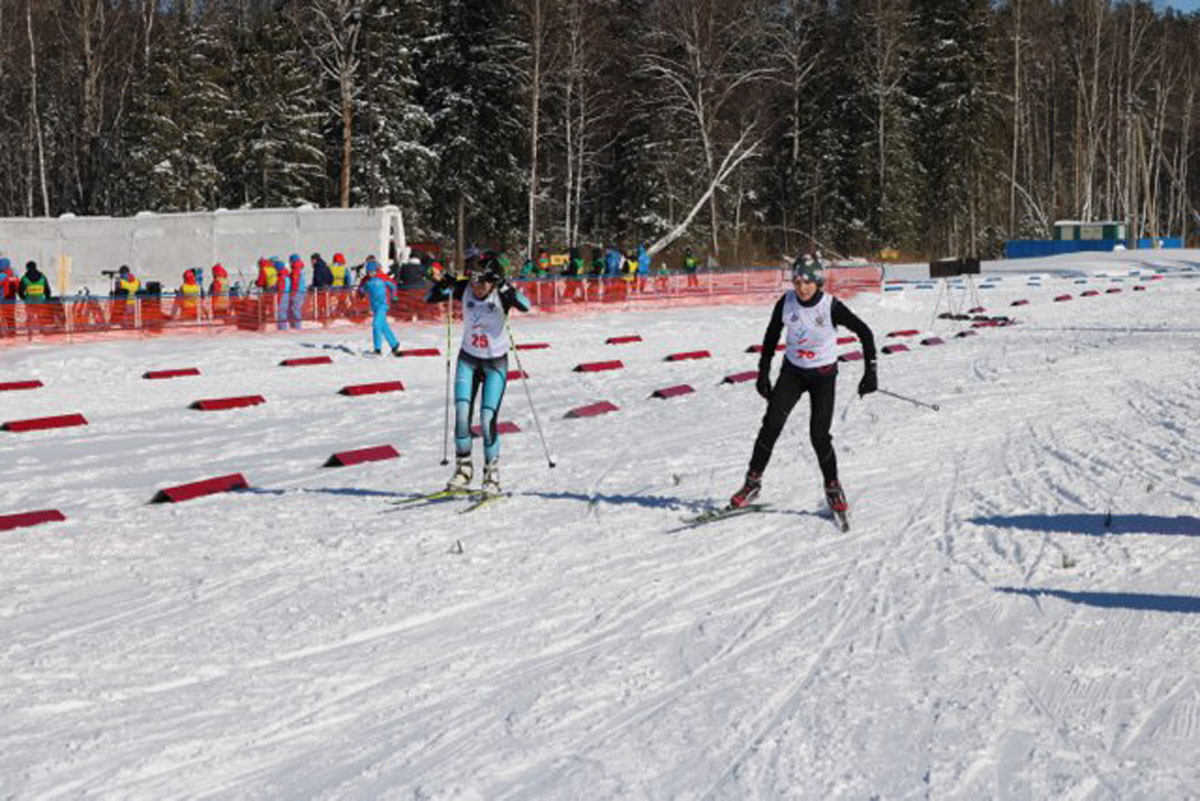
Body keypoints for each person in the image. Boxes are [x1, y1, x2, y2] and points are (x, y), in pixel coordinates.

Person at [728, 255, 878, 517]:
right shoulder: (786, 302)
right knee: (771, 425)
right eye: (797, 281)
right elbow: (771, 336)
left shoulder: (830, 306)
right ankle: (752, 483)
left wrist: (871, 372)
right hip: (793, 373)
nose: (802, 287)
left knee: (819, 435)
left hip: (823, 377)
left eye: (807, 282)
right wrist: (763, 373)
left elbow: (865, 333)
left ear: (818, 281)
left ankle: (833, 486)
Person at [425, 252, 532, 495]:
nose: (477, 287)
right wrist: (444, 282)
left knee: (486, 419)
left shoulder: (500, 293)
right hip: (468, 361)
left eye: (483, 283)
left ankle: (491, 474)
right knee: (462, 415)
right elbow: (429, 298)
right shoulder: (464, 288)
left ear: (493, 280)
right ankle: (463, 469)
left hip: (495, 364)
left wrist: (504, 285)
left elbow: (525, 305)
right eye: (473, 281)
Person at [359, 257, 401, 355]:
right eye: (369, 272)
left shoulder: (382, 278)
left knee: (376, 324)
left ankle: (377, 349)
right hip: (374, 306)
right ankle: (394, 344)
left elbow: (393, 286)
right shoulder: (367, 280)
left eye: (373, 272)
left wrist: (394, 296)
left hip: (383, 304)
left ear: (376, 270)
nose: (371, 274)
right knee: (383, 325)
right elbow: (362, 288)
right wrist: (361, 292)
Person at [286, 253, 307, 329]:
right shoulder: (300, 268)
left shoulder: (296, 269)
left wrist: (293, 292)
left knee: (295, 308)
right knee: (296, 308)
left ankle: (297, 326)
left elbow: (295, 281)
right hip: (301, 291)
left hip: (297, 291)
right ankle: (296, 325)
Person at [0, 258, 18, 336]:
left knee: (1, 316)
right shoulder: (13, 275)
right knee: (10, 316)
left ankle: (1, 332)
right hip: (12, 299)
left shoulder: (2, 275)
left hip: (2, 299)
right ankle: (12, 332)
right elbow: (17, 287)